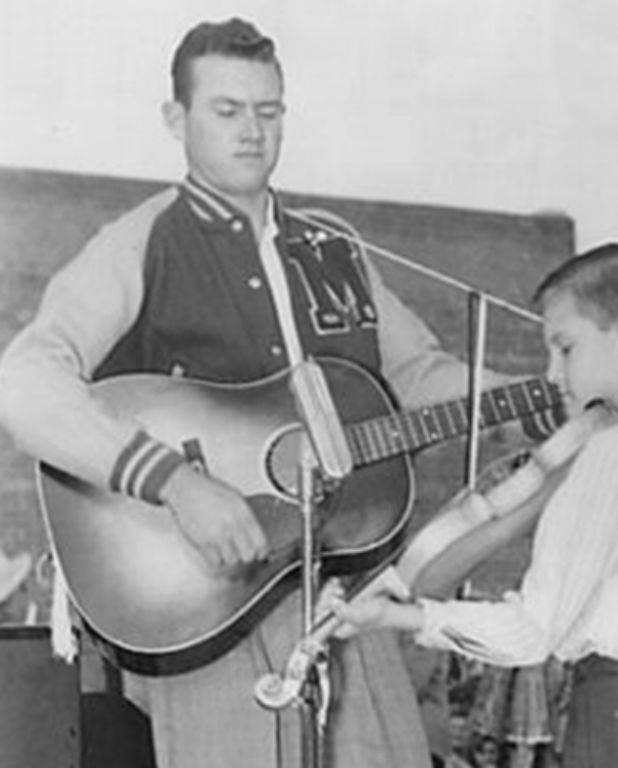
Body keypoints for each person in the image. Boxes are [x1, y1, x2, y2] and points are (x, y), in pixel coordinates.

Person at [0, 16, 532, 768]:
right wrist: (177, 482)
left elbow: (417, 375)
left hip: (344, 593)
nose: (252, 131)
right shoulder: (141, 241)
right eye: (227, 110)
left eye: (268, 110)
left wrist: (519, 398)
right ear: (176, 120)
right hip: (207, 601)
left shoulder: (332, 245)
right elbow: (22, 383)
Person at [330, 242, 618, 767]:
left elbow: (532, 633)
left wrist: (403, 617)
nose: (551, 373)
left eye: (565, 347)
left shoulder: (613, 453)